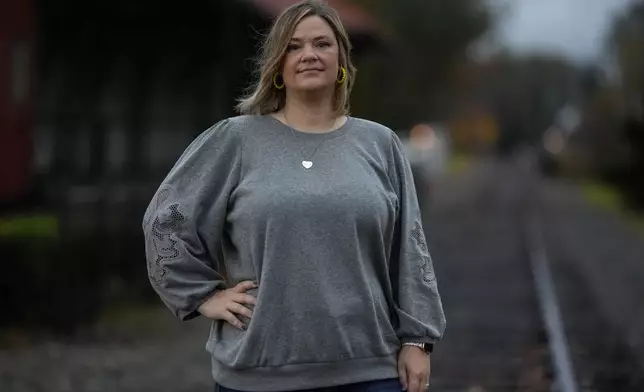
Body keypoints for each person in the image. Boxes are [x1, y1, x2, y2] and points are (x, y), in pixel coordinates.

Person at [142, 1, 446, 392]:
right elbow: (166, 219)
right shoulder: (235, 140)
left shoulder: (380, 144)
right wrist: (203, 296)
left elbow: (410, 249)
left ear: (341, 60)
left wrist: (417, 340)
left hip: (369, 370)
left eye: (322, 44)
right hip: (258, 374)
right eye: (294, 46)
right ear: (278, 65)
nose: (308, 55)